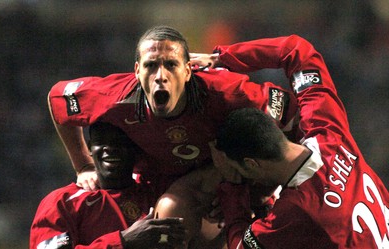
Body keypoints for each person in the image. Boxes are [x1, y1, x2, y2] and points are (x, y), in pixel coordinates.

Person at [47, 26, 298, 245]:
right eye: (151, 65)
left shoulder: (227, 93)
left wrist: (266, 187)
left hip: (227, 177)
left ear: (188, 71)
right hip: (159, 185)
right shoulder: (113, 97)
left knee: (174, 211)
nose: (160, 76)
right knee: (170, 219)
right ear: (136, 71)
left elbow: (292, 117)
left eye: (170, 64)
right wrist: (83, 165)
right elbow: (58, 98)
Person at [208, 35, 389, 248]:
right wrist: (222, 58)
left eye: (238, 170)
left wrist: (233, 188)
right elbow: (296, 51)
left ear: (251, 164)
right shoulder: (327, 130)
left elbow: (240, 246)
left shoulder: (294, 212)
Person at [30, 122, 186, 249]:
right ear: (90, 148)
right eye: (101, 141)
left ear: (136, 148)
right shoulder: (63, 202)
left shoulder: (159, 190)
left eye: (120, 142)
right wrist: (124, 240)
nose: (110, 148)